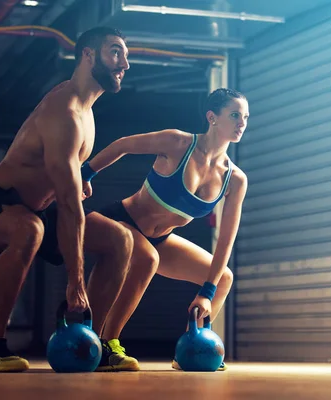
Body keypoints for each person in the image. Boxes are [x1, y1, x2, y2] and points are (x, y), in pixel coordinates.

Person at [0, 26, 138, 372]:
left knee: (121, 238)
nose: (125, 63)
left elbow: (64, 174)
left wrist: (80, 177)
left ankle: (93, 344)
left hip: (36, 209)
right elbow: (70, 206)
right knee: (30, 231)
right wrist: (76, 282)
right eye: (116, 52)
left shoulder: (88, 112)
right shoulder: (65, 110)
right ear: (88, 55)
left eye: (125, 55)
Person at [81, 88, 249, 371]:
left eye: (245, 117)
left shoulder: (235, 179)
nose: (242, 122)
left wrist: (206, 292)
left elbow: (226, 240)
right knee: (148, 258)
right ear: (212, 118)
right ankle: (108, 344)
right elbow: (123, 145)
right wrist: (85, 174)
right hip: (120, 220)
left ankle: (193, 349)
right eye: (234, 115)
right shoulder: (178, 142)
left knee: (223, 279)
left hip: (160, 239)